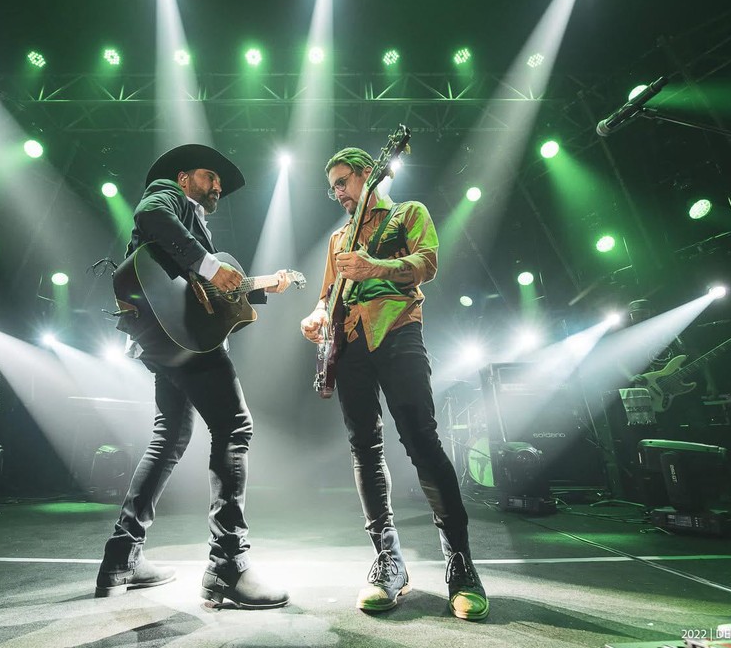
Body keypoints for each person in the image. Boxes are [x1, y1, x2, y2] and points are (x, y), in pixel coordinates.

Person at [95, 144, 291, 609]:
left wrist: (263, 285)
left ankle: (121, 557)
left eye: (220, 183)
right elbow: (150, 216)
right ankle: (228, 564)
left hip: (168, 338)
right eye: (210, 176)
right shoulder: (168, 194)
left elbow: (203, 290)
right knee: (234, 427)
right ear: (184, 178)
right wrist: (209, 265)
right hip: (176, 338)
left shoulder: (194, 224)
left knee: (169, 437)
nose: (218, 186)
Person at [299, 147, 488, 620]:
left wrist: (375, 268)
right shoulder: (338, 239)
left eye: (343, 181)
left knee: (421, 439)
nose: (337, 193)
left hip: (399, 329)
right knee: (363, 447)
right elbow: (328, 294)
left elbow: (428, 263)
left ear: (368, 173)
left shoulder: (407, 213)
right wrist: (316, 314)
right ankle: (388, 559)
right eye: (332, 187)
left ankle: (460, 563)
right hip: (350, 343)